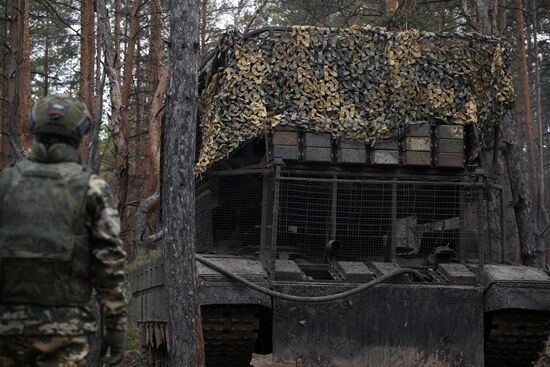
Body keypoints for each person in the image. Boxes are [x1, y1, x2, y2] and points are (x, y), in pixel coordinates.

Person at [0, 95, 128, 366]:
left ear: (35, 131)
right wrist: (115, 332)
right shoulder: (92, 189)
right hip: (67, 332)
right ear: (79, 135)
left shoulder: (5, 183)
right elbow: (111, 268)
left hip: (7, 329)